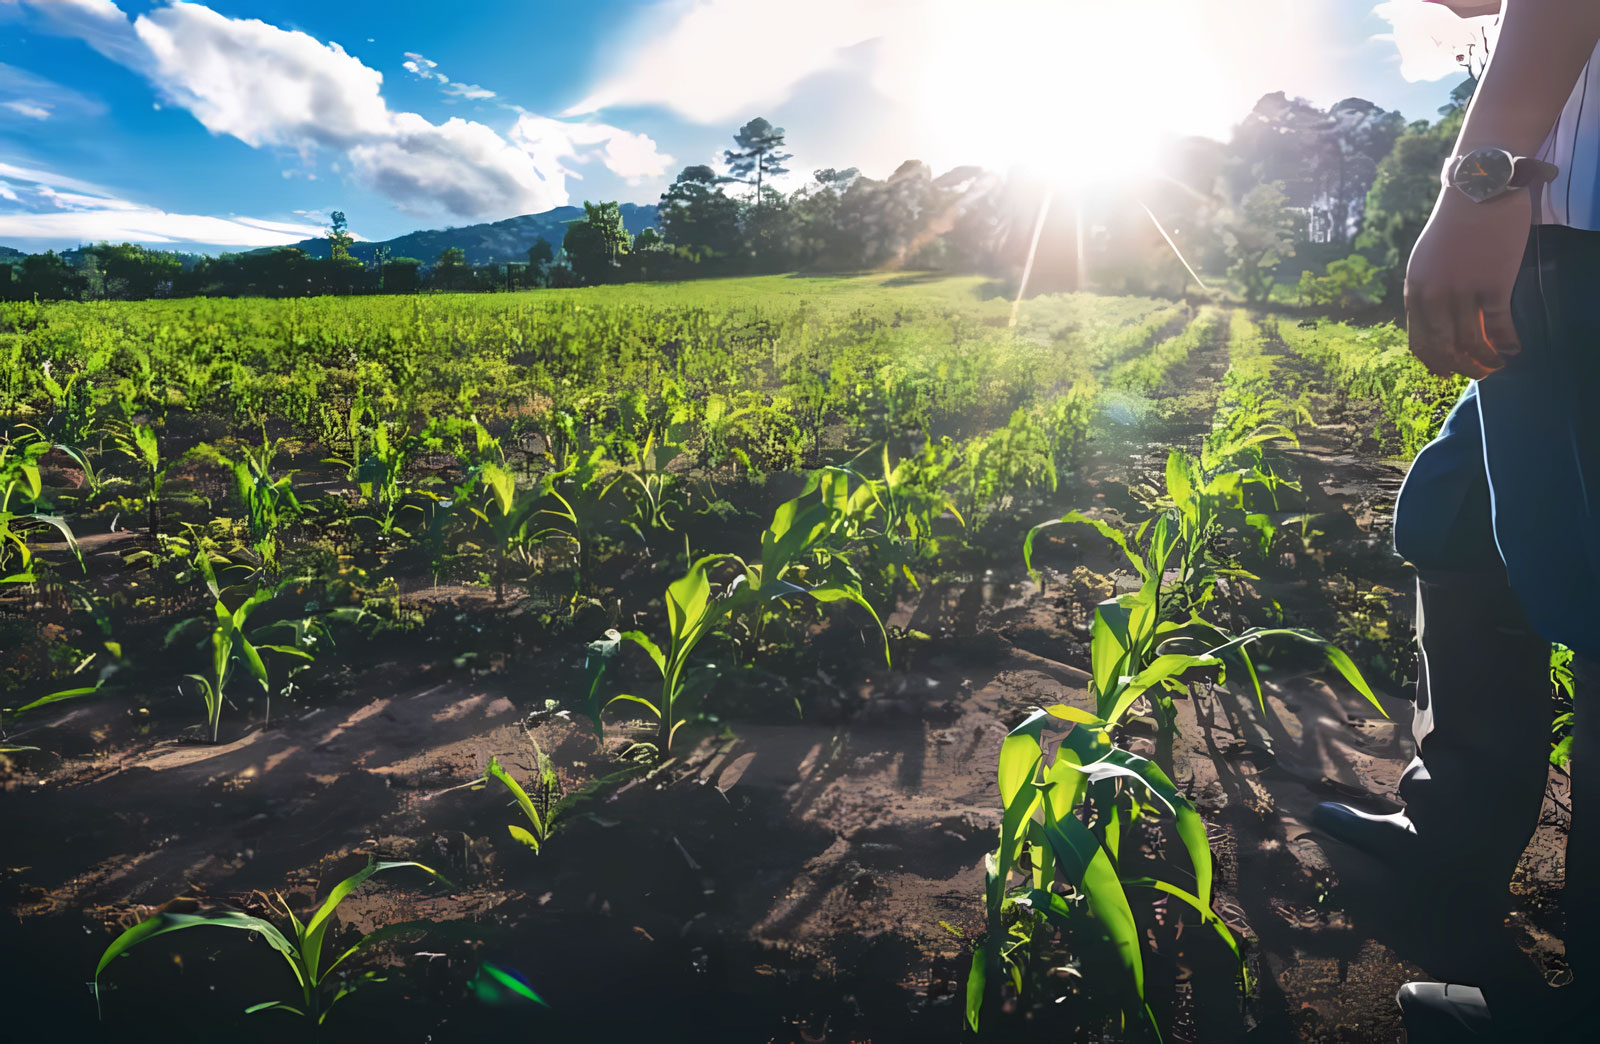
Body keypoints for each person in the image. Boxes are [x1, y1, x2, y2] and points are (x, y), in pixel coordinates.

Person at [1311, 1, 1600, 1040]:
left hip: (1575, 216)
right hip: (1560, 213)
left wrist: (1482, 175)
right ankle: (1451, 831)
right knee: (1453, 513)